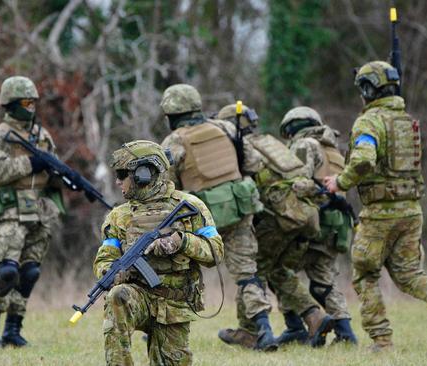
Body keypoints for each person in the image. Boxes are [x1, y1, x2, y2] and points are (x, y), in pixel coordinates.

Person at [324, 61, 427, 351]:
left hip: (380, 213)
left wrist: (340, 182)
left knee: (364, 274)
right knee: (410, 276)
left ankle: (382, 341)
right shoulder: (407, 121)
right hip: (410, 210)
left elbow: (363, 160)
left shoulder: (369, 121)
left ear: (369, 90)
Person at [159, 85, 277, 351]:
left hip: (200, 216)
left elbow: (166, 184)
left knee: (176, 270)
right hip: (239, 208)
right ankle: (264, 330)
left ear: (171, 114)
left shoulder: (175, 141)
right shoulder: (226, 128)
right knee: (247, 274)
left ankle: (163, 327)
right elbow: (254, 163)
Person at [95, 140, 224, 365]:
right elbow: (105, 258)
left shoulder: (189, 206)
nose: (117, 181)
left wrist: (181, 242)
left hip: (175, 303)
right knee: (117, 297)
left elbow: (216, 252)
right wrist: (109, 272)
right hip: (137, 297)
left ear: (143, 174)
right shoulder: (118, 216)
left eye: (122, 174)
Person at [216, 103, 334, 348]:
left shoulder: (243, 149)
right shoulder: (269, 142)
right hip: (305, 215)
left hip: (279, 217)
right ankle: (314, 316)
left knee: (252, 272)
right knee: (279, 272)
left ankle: (249, 332)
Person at [0, 76, 62, 347]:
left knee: (29, 273)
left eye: (33, 102)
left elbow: (53, 173)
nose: (30, 107)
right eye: (25, 102)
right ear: (10, 104)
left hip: (39, 213)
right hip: (10, 211)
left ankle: (13, 328)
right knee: (7, 272)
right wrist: (29, 163)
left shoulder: (42, 136)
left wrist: (60, 176)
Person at [277, 106, 357, 345]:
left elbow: (296, 181)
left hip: (312, 223)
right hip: (336, 226)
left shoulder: (305, 146)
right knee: (323, 283)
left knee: (279, 271)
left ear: (292, 128)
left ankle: (296, 327)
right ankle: (346, 334)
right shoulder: (333, 150)